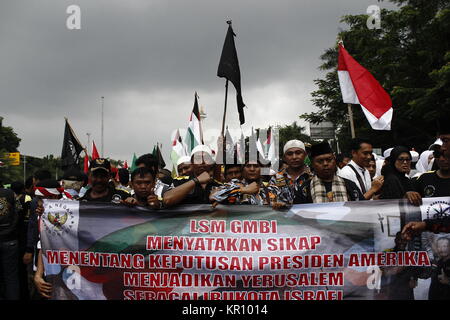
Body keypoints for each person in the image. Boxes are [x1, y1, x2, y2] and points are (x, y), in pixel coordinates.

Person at [211, 153, 277, 206]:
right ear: (243, 170)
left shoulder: (271, 189)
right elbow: (213, 196)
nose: (252, 169)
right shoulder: (234, 185)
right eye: (248, 166)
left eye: (256, 166)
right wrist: (242, 190)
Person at [269, 140, 312, 205]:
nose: (294, 157)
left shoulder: (313, 176)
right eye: (289, 154)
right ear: (284, 158)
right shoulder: (277, 178)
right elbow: (271, 201)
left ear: (305, 155)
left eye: (298, 153)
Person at [0, 187, 20, 299]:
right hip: (10, 239)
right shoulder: (10, 193)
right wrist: (11, 229)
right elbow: (19, 212)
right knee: (11, 277)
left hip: (9, 238)